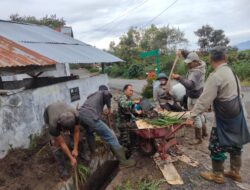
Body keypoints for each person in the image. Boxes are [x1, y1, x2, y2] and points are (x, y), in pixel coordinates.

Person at [187, 46, 250, 184]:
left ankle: (217, 175)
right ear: (225, 58)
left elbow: (204, 99)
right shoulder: (231, 72)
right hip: (239, 114)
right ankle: (235, 171)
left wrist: (192, 115)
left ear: (211, 60)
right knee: (236, 143)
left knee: (216, 144)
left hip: (225, 117)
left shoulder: (215, 76)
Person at [79, 85, 135, 167]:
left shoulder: (92, 96)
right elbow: (106, 94)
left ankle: (93, 151)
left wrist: (103, 112)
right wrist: (109, 107)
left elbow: (94, 109)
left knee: (89, 132)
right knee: (111, 137)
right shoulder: (104, 92)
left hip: (81, 115)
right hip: (91, 116)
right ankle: (124, 162)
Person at [171, 51, 208, 145]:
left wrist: (179, 78)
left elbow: (190, 85)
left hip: (195, 96)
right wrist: (181, 52)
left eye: (190, 63)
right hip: (197, 95)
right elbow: (189, 55)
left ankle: (198, 138)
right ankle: (204, 131)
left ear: (195, 61)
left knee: (195, 116)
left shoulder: (197, 72)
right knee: (200, 114)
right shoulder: (199, 65)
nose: (188, 64)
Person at [43, 102, 80, 179]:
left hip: (63, 109)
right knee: (56, 146)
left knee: (73, 140)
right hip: (49, 112)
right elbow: (62, 142)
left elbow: (76, 131)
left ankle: (73, 149)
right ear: (60, 126)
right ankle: (63, 171)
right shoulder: (53, 125)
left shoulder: (76, 115)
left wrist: (75, 149)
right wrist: (71, 158)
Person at [117, 84, 141, 153]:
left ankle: (131, 149)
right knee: (125, 141)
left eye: (132, 91)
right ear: (125, 90)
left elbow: (130, 110)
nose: (131, 92)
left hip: (127, 122)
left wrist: (137, 112)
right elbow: (124, 104)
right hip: (122, 123)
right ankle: (124, 156)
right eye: (130, 90)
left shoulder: (128, 98)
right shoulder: (122, 98)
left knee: (131, 136)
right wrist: (133, 102)